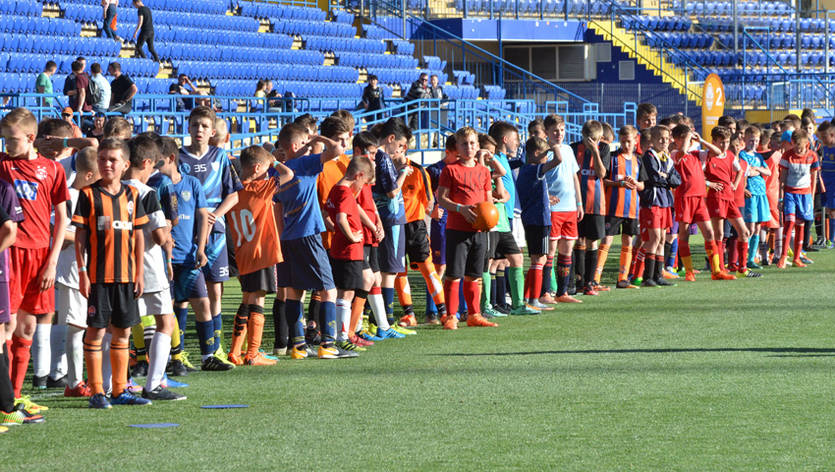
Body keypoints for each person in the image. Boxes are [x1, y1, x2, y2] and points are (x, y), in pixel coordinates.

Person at [0, 109, 70, 415]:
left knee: (27, 328)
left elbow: (62, 218)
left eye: (12, 140)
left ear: (31, 138)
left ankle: (15, 395)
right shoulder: (3, 164)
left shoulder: (52, 169)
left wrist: (52, 262)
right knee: (7, 325)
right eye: (4, 139)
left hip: (41, 256)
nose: (7, 145)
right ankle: (4, 401)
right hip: (11, 253)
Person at [73, 138, 150, 410]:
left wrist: (139, 273)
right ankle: (96, 391)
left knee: (122, 332)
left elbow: (138, 235)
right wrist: (82, 272)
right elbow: (80, 237)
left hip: (126, 277)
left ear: (125, 165)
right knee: (95, 332)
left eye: (113, 160)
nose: (106, 164)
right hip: (98, 277)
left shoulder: (133, 195)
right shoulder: (88, 195)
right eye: (102, 159)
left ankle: (119, 390)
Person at [273, 123, 355, 359]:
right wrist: (318, 138)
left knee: (294, 291)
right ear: (295, 146)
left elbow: (276, 209)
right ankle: (328, 344)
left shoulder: (278, 172)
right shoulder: (304, 165)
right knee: (328, 289)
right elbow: (337, 150)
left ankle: (298, 346)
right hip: (308, 234)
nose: (308, 147)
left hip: (287, 238)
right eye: (304, 143)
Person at [155, 137, 233, 371]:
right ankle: (173, 358)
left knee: (202, 303)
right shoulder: (157, 185)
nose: (155, 166)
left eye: (158, 161)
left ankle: (208, 356)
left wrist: (200, 248)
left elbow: (203, 215)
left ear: (171, 159)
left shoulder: (192, 184)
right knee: (169, 310)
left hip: (189, 256)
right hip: (165, 259)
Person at [118, 135, 185, 401]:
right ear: (146, 162)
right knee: (165, 321)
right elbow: (158, 236)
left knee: (119, 327)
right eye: (153, 166)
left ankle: (115, 382)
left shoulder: (115, 190)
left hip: (121, 266)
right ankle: (154, 383)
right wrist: (167, 230)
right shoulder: (146, 193)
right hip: (148, 267)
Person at [179, 106, 242, 365]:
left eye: (204, 126)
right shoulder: (178, 157)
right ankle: (178, 351)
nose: (199, 130)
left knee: (215, 289)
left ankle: (215, 348)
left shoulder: (220, 156)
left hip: (215, 233)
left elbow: (234, 194)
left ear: (212, 131)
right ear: (188, 127)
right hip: (185, 233)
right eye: (195, 125)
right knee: (183, 291)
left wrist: (216, 214)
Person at [226, 146, 293, 366]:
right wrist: (274, 161)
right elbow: (288, 174)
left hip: (243, 252)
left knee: (247, 299)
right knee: (258, 299)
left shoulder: (234, 192)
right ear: (257, 168)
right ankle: (253, 353)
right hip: (261, 251)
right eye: (265, 168)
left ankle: (235, 351)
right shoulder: (260, 188)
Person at [436, 126, 497, 330]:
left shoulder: (484, 171)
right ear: (457, 147)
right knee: (454, 274)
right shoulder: (450, 170)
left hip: (479, 231)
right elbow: (441, 198)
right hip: (456, 230)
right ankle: (451, 316)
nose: (469, 147)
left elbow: (488, 201)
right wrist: (460, 208)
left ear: (478, 146)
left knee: (475, 275)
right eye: (464, 144)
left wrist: (490, 220)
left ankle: (474, 314)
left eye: (472, 143)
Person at [669, 124, 733, 282]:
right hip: (684, 198)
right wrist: (687, 136)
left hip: (699, 198)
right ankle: (689, 271)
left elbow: (718, 152)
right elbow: (682, 151)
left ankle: (716, 271)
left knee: (709, 233)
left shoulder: (698, 155)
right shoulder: (675, 154)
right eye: (685, 138)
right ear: (676, 140)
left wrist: (702, 140)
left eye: (689, 138)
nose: (689, 140)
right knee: (684, 235)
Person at [370, 118, 416, 336]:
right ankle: (386, 322)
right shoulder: (383, 158)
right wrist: (404, 172)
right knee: (389, 271)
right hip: (391, 218)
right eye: (400, 144)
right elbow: (392, 191)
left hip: (384, 218)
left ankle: (378, 321)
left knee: (383, 271)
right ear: (391, 139)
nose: (401, 149)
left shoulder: (376, 157)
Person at [326, 156, 375, 356]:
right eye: (363, 182)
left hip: (339, 248)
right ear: (358, 175)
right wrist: (352, 236)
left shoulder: (336, 189)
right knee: (346, 294)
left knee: (342, 293)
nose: (362, 187)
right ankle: (342, 338)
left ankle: (338, 336)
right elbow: (340, 218)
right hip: (349, 251)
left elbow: (328, 213)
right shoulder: (345, 193)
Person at [488, 121, 538, 315]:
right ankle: (491, 304)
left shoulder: (504, 158)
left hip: (507, 215)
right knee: (494, 261)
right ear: (505, 139)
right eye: (515, 139)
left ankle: (505, 302)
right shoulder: (494, 159)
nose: (517, 143)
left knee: (505, 260)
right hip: (497, 216)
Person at [518, 136, 566, 306]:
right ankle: (534, 298)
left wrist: (546, 198)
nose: (547, 158)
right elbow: (558, 159)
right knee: (540, 259)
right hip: (540, 220)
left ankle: (527, 297)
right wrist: (554, 146)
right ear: (537, 153)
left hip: (530, 219)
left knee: (536, 260)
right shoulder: (535, 169)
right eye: (545, 154)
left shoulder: (524, 170)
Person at [543, 115, 583, 304]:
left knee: (567, 249)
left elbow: (574, 177)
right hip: (553, 209)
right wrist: (546, 197)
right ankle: (545, 292)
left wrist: (579, 203)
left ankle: (562, 292)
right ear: (546, 133)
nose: (559, 134)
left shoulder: (567, 150)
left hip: (570, 208)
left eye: (562, 130)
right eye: (554, 131)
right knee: (550, 250)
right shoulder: (545, 152)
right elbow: (539, 177)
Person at [635, 125, 680, 287]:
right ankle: (647, 277)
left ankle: (658, 275)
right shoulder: (648, 156)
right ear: (652, 140)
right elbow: (654, 178)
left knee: (662, 239)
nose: (664, 141)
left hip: (665, 202)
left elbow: (677, 180)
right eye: (660, 138)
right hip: (652, 201)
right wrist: (666, 178)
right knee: (653, 239)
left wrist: (665, 176)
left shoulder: (667, 159)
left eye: (667, 138)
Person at [570, 120, 611, 296]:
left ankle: (589, 283)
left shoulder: (604, 148)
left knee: (592, 242)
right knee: (577, 241)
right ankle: (577, 281)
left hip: (595, 203)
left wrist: (595, 151)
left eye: (596, 140)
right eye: (589, 140)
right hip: (576, 203)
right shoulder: (573, 148)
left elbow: (602, 174)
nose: (592, 143)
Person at [600, 125, 643, 289]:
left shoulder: (638, 160)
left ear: (636, 140)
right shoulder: (612, 158)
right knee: (607, 240)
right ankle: (595, 278)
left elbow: (642, 185)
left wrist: (635, 183)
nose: (626, 145)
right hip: (613, 208)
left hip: (631, 209)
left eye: (629, 141)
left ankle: (623, 278)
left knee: (628, 241)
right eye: (623, 141)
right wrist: (619, 183)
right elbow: (603, 180)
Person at [703, 126, 750, 274]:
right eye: (721, 142)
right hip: (716, 198)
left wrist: (734, 185)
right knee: (719, 235)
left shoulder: (729, 155)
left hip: (730, 198)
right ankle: (720, 269)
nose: (724, 145)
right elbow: (696, 174)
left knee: (744, 232)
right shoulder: (707, 157)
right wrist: (709, 183)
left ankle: (742, 269)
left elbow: (740, 170)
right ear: (714, 142)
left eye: (727, 142)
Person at [777, 130, 820, 268]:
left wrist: (811, 197)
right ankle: (783, 256)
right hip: (790, 193)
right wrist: (780, 198)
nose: (798, 149)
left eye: (800, 146)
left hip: (805, 195)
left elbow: (814, 177)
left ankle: (797, 258)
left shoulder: (812, 156)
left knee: (800, 225)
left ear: (806, 144)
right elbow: (782, 178)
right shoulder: (787, 155)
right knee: (789, 222)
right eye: (795, 146)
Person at [738, 126, 772, 271]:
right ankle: (743, 258)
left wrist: (757, 169)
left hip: (761, 193)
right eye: (751, 140)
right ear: (745, 139)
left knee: (758, 227)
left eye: (756, 140)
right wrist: (753, 172)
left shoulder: (758, 156)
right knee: (750, 228)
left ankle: (751, 259)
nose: (754, 143)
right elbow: (746, 172)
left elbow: (768, 172)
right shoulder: (742, 154)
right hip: (750, 194)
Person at [819, 124, 835, 247]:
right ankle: (828, 238)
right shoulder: (824, 148)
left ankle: (832, 240)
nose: (822, 140)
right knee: (828, 210)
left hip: (833, 182)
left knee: (833, 210)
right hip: (825, 182)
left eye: (824, 137)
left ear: (832, 135)